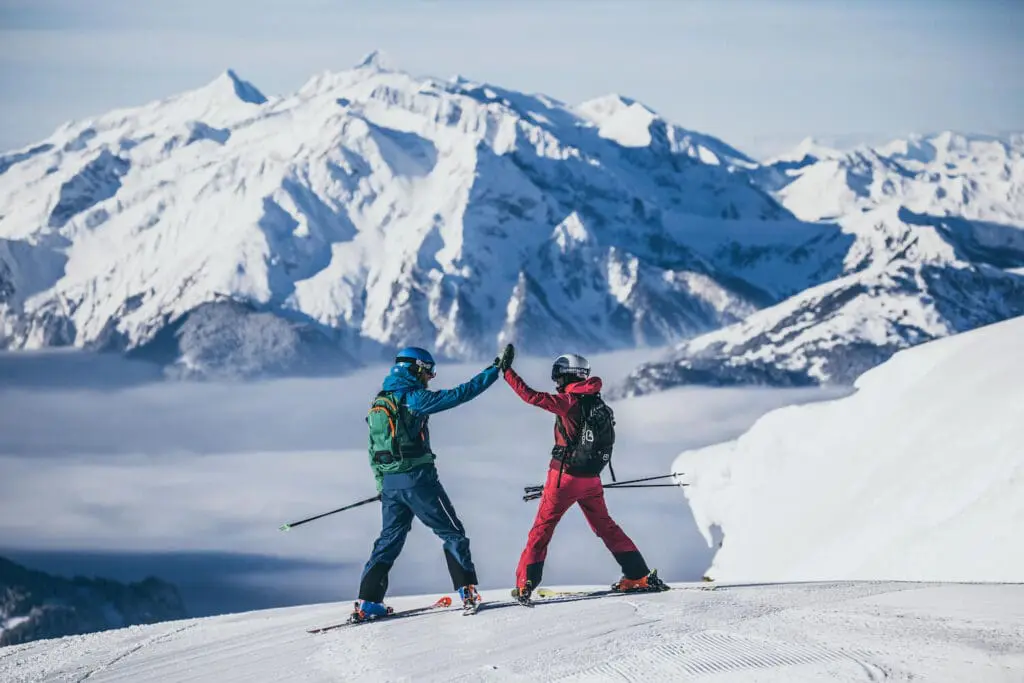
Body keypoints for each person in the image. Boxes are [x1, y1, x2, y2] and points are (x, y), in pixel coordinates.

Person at [353, 344, 514, 621]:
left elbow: (371, 448)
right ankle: (467, 592)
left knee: (388, 541)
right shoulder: (413, 399)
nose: (431, 376)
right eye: (429, 370)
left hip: (391, 483)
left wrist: (383, 485)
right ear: (416, 368)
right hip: (419, 481)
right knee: (452, 532)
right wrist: (494, 371)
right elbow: (459, 395)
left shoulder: (381, 400)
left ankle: (368, 603)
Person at [502, 352, 667, 604]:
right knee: (606, 527)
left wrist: (507, 372)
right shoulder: (596, 401)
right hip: (591, 479)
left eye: (557, 373)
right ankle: (639, 575)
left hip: (563, 478)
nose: (555, 379)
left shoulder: (568, 401)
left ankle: (525, 584)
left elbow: (531, 396)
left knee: (541, 530)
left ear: (565, 374)